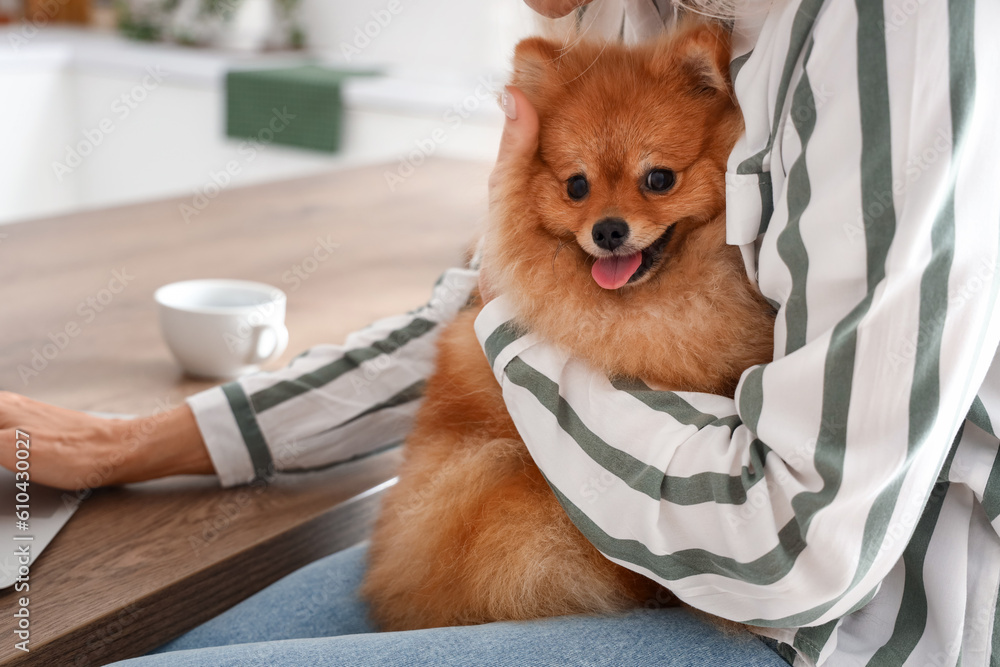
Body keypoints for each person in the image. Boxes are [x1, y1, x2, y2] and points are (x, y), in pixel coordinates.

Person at [2, 0, 998, 663]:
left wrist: (520, 301)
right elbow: (463, 319)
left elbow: (800, 554)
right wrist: (127, 444)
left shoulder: (896, 34)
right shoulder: (619, 19)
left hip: (828, 631)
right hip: (637, 548)